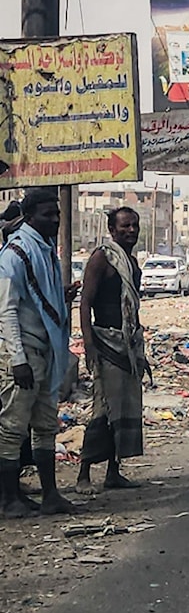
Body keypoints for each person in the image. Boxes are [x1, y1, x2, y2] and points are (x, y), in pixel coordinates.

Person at [0, 189, 79, 516]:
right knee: (13, 427)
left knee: (46, 424)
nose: (56, 220)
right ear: (30, 217)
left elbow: (39, 300)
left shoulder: (43, 249)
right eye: (49, 215)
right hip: (23, 352)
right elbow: (7, 312)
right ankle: (9, 499)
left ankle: (50, 495)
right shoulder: (15, 253)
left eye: (57, 214)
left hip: (46, 350)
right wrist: (18, 360)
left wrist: (62, 297)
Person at [76, 207, 150, 495]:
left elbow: (133, 307)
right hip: (106, 342)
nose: (131, 230)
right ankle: (83, 473)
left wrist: (139, 347)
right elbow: (85, 303)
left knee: (125, 409)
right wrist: (89, 345)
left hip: (128, 344)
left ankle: (113, 471)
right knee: (103, 409)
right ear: (112, 230)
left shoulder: (130, 261)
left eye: (135, 225)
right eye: (125, 226)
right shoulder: (102, 258)